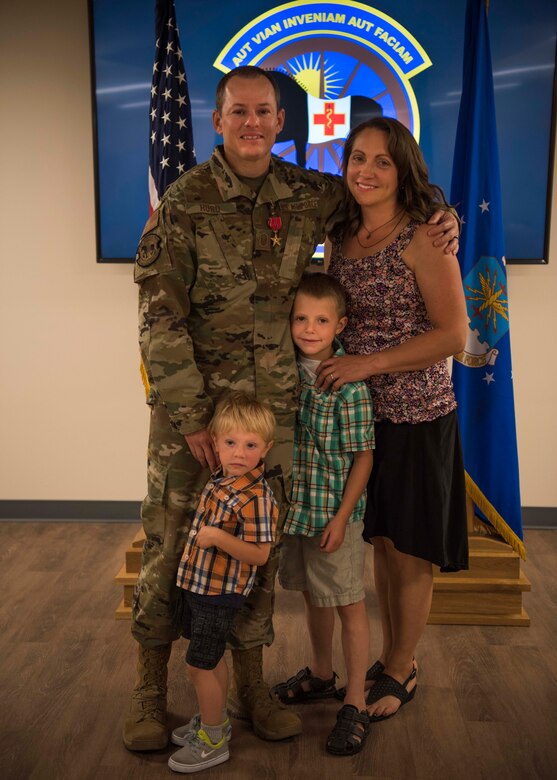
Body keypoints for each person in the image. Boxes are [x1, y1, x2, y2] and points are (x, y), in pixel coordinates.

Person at [124, 65, 460, 752]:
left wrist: (442, 212)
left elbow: (388, 191)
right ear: (218, 120)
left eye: (264, 113)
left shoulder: (307, 193)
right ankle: (147, 694)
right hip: (195, 425)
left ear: (282, 124)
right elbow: (159, 322)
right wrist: (191, 421)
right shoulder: (184, 203)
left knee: (257, 557)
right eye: (238, 111)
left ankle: (251, 689)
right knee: (169, 553)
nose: (252, 123)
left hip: (275, 420)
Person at [317, 117, 469, 722]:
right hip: (359, 420)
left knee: (409, 550)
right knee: (379, 540)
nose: (367, 171)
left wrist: (369, 363)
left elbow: (455, 334)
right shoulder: (342, 232)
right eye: (357, 158)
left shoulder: (426, 237)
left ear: (402, 169)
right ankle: (387, 655)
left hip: (415, 414)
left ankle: (403, 666)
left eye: (381, 161)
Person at [272, 273, 374, 756]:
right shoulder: (282, 373)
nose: (309, 329)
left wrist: (342, 517)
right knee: (315, 595)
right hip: (298, 513)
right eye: (300, 318)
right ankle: (320, 672)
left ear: (340, 325)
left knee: (349, 602)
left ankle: (354, 700)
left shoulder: (347, 384)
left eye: (321, 320)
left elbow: (363, 457)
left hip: (336, 514)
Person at [168, 392, 278, 774]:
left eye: (250, 445)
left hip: (220, 594)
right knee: (209, 661)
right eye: (230, 443)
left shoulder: (257, 496)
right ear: (215, 443)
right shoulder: (222, 479)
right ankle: (216, 721)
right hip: (200, 586)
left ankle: (213, 740)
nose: (239, 453)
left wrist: (218, 538)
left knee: (199, 666)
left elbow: (261, 554)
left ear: (266, 448)